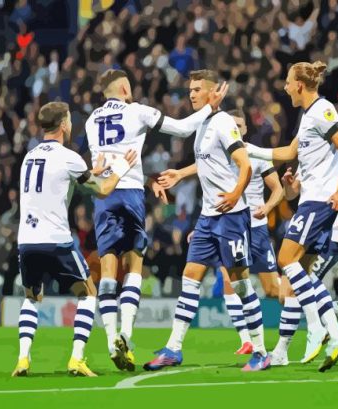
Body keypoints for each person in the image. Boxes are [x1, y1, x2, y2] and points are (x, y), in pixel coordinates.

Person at [85, 69, 227, 371]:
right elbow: (183, 128)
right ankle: (126, 332)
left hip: (103, 195)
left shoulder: (90, 120)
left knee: (108, 268)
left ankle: (112, 340)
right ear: (125, 87)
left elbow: (103, 163)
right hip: (130, 193)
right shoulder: (137, 111)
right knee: (135, 262)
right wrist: (209, 106)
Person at [143, 70, 269, 372]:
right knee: (190, 278)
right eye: (190, 89)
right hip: (208, 217)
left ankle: (261, 351)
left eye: (198, 89)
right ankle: (173, 348)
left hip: (232, 216)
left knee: (240, 284)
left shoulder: (225, 122)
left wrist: (236, 194)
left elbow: (244, 164)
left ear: (213, 92)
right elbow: (205, 162)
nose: (192, 94)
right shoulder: (202, 123)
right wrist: (180, 173)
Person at [12, 101, 136, 377]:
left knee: (32, 297)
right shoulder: (68, 156)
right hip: (56, 239)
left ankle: (22, 359)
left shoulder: (29, 156)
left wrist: (95, 170)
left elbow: (60, 181)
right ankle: (77, 359)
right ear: (64, 124)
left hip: (26, 239)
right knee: (88, 293)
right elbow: (103, 191)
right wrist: (120, 170)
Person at [246, 60, 338, 370]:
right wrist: (246, 147)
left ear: (299, 85)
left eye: (287, 81)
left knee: (285, 260)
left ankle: (327, 329)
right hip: (312, 198)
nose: (283, 86)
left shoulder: (322, 110)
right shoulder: (308, 116)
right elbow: (288, 153)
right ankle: (288, 348)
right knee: (296, 282)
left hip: (320, 201)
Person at [160, 109, 283, 355]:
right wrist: (182, 176)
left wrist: (267, 207)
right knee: (225, 281)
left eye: (239, 125)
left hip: (253, 227)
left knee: (270, 290)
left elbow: (277, 189)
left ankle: (322, 307)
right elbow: (202, 165)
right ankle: (246, 340)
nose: (234, 128)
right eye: (232, 124)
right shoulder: (216, 149)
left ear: (245, 129)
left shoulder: (254, 154)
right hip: (220, 221)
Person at [271, 153, 338, 369]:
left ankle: (332, 334)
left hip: (332, 235)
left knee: (302, 284)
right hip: (309, 231)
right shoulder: (311, 150)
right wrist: (288, 185)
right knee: (287, 293)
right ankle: (333, 311)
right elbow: (293, 194)